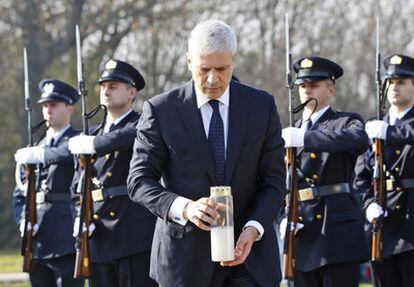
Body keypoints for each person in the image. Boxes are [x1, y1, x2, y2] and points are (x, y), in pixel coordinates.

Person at [126, 19, 286, 287]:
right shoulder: (161, 110)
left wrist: (254, 228)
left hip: (250, 259)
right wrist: (186, 208)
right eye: (204, 69)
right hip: (184, 262)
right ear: (189, 61)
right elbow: (139, 180)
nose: (213, 79)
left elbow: (274, 181)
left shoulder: (261, 106)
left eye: (222, 68)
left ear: (234, 61)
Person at [280, 56, 370, 287]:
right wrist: (283, 216)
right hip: (301, 230)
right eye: (302, 86)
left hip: (335, 232)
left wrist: (306, 138)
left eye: (314, 85)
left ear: (330, 89)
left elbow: (359, 139)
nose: (307, 90)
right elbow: (279, 181)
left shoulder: (345, 121)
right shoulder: (291, 132)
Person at [68, 59, 157, 287]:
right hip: (98, 234)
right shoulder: (92, 135)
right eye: (103, 86)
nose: (106, 90)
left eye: (114, 86)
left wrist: (94, 144)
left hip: (132, 233)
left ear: (131, 92)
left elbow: (126, 137)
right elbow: (77, 185)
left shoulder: (142, 123)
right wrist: (79, 216)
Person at [13, 79, 83, 287]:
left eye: (54, 105)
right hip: (38, 238)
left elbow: (68, 153)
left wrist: (41, 154)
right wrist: (22, 221)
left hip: (65, 237)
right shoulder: (34, 148)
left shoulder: (78, 140)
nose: (48, 110)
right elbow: (19, 192)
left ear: (69, 108)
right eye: (45, 106)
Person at [354, 54, 414, 287]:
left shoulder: (383, 130)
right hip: (383, 226)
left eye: (402, 82)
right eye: (391, 82)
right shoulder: (374, 127)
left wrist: (389, 133)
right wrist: (368, 204)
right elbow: (361, 176)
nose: (394, 87)